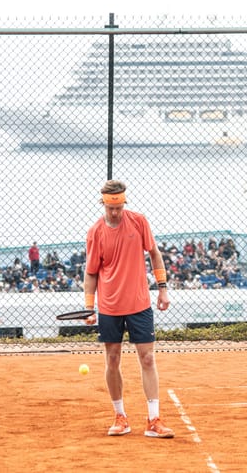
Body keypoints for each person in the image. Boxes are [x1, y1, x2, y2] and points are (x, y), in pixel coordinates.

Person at [83, 180, 174, 439]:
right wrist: (90, 307)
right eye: (111, 208)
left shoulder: (139, 222)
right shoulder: (95, 233)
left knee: (147, 358)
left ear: (124, 203)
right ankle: (120, 417)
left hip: (140, 303)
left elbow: (155, 254)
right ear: (103, 204)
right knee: (112, 360)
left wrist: (163, 288)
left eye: (119, 207)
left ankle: (154, 420)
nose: (116, 212)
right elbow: (90, 274)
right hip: (110, 306)